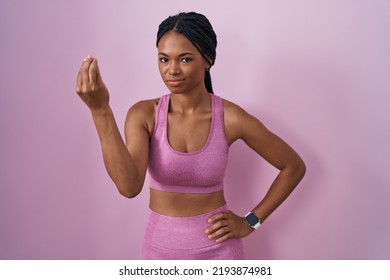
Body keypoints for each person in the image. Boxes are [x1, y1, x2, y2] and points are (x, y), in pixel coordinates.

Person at [75, 12, 306, 260]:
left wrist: (250, 222)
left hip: (221, 255)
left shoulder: (230, 117)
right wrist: (100, 111)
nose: (172, 70)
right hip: (158, 254)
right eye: (164, 59)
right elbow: (129, 187)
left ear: (207, 59)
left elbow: (293, 166)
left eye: (185, 59)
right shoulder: (144, 114)